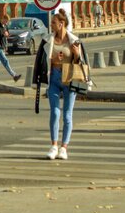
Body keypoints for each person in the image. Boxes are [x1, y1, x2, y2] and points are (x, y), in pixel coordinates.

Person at [32, 9, 86, 160]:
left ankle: (64, 147)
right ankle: (54, 145)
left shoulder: (74, 40)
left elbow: (81, 64)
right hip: (54, 78)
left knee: (67, 115)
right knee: (55, 113)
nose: (51, 25)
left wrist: (76, 54)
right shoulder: (48, 40)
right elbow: (40, 60)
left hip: (69, 78)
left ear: (62, 24)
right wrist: (37, 80)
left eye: (54, 23)